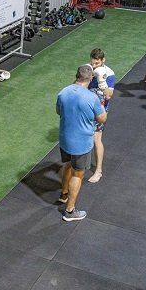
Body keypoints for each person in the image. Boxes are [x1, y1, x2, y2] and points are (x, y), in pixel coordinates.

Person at [56, 65, 107, 222]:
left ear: (76, 75)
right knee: (78, 174)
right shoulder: (92, 98)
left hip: (64, 138)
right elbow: (102, 119)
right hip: (81, 142)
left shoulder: (63, 91)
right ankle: (70, 211)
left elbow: (58, 111)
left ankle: (64, 194)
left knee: (68, 165)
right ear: (90, 79)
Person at [86, 49, 115, 183]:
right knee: (85, 136)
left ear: (103, 60)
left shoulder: (109, 74)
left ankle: (98, 171)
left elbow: (109, 95)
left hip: (100, 109)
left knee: (97, 138)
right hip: (86, 107)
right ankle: (84, 164)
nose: (95, 65)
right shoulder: (87, 69)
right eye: (93, 63)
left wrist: (101, 82)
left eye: (97, 63)